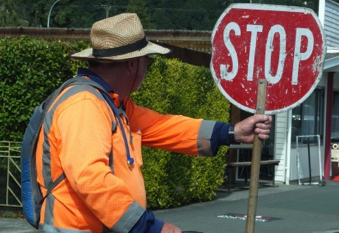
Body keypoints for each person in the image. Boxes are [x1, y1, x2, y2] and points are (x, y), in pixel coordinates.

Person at [35, 13, 272, 233]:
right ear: (132, 64)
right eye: (148, 61)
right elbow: (91, 180)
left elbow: (164, 127)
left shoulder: (113, 104)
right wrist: (150, 228)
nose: (147, 69)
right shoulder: (85, 105)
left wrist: (233, 132)